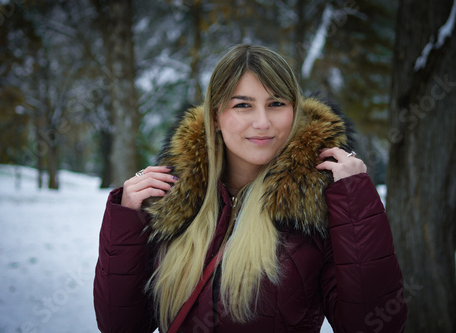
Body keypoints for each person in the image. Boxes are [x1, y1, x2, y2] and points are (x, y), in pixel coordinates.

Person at [93, 44, 407, 333]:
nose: (262, 122)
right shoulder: (172, 198)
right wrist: (126, 217)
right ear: (215, 116)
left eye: (276, 103)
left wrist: (357, 199)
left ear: (294, 111)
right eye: (243, 105)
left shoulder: (319, 204)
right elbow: (121, 325)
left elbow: (375, 325)